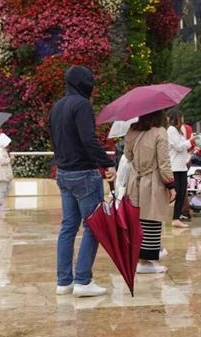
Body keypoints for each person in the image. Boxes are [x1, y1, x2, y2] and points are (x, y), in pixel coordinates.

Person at [50, 65, 115, 298]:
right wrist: (107, 163)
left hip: (64, 173)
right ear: (83, 83)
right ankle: (83, 281)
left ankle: (64, 281)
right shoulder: (82, 105)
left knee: (68, 227)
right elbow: (88, 140)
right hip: (84, 174)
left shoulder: (57, 107)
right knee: (93, 226)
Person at [125, 110, 177, 275]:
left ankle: (139, 258)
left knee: (138, 220)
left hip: (135, 181)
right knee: (152, 219)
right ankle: (145, 261)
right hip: (153, 181)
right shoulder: (159, 132)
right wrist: (171, 185)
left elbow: (128, 155)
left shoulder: (132, 131)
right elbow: (164, 162)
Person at [166, 109, 193, 227]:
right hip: (174, 166)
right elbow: (178, 147)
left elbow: (183, 147)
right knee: (175, 193)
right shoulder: (171, 130)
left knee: (182, 192)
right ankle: (172, 216)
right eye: (180, 117)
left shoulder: (180, 130)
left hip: (182, 165)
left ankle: (176, 218)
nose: (182, 120)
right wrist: (190, 141)